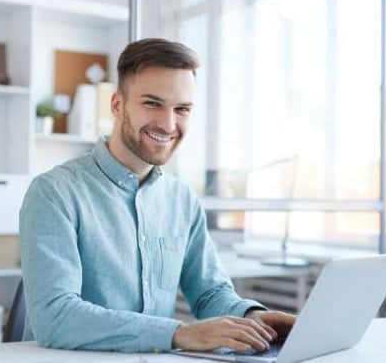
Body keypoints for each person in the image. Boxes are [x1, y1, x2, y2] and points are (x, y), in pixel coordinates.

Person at [19, 38, 296, 354]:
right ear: (117, 105)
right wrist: (179, 334)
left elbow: (209, 293)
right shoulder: (54, 193)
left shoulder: (182, 200)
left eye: (182, 109)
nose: (168, 123)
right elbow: (55, 317)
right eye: (152, 103)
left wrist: (254, 317)